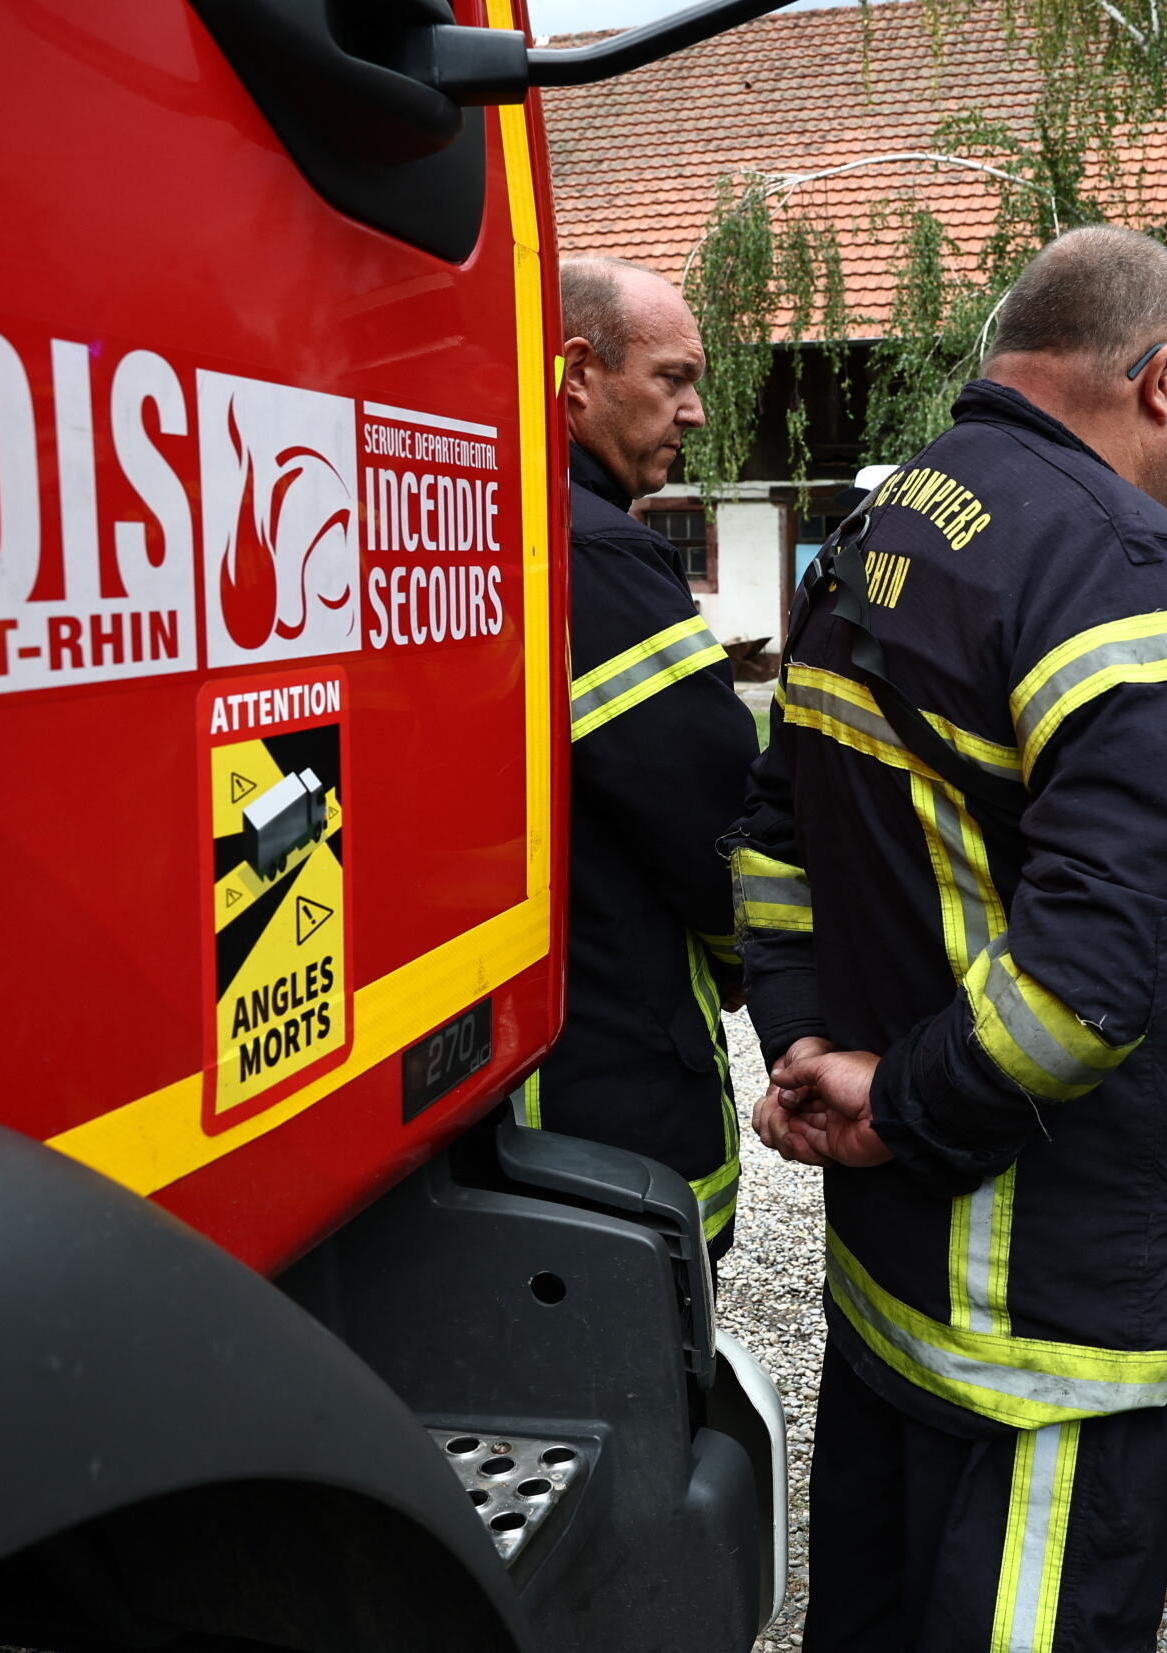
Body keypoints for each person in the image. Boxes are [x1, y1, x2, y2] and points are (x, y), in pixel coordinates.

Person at [727, 226, 1167, 1651]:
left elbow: (777, 836)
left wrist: (803, 1043)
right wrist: (902, 1106)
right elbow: (1095, 979)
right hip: (1054, 1306)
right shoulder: (1117, 562)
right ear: (1161, 379)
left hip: (894, 1278)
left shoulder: (880, 521)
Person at [525, 256, 759, 1261]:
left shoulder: (494, 532)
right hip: (612, 1080)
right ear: (577, 373)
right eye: (672, 378)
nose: (694, 411)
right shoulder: (600, 558)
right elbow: (715, 819)